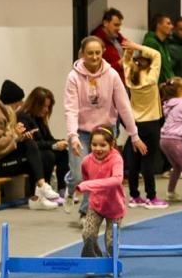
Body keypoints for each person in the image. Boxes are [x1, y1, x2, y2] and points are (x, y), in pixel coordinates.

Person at [64, 36, 141, 213]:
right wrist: (73, 136)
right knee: (78, 175)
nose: (94, 57)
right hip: (82, 132)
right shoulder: (73, 77)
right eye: (90, 53)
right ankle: (70, 186)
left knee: (96, 175)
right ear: (82, 54)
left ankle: (86, 211)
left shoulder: (112, 74)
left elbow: (124, 106)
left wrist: (134, 134)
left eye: (98, 53)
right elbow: (70, 108)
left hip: (105, 130)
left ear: (103, 53)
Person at [0, 80, 60, 210]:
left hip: (5, 158)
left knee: (46, 155)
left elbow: (8, 139)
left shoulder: (6, 113)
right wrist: (15, 135)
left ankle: (38, 196)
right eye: (19, 102)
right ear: (13, 102)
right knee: (33, 147)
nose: (21, 105)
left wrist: (21, 137)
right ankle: (41, 189)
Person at [121, 39, 167, 209]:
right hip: (151, 123)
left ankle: (134, 196)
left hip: (135, 124)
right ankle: (151, 197)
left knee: (134, 161)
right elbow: (156, 54)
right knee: (148, 160)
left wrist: (128, 50)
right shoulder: (151, 78)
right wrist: (135, 47)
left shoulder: (129, 77)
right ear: (148, 66)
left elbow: (126, 61)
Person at [74, 126, 124, 259]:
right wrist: (87, 187)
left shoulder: (116, 159)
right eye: (94, 145)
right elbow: (86, 177)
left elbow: (117, 180)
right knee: (88, 234)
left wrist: (88, 185)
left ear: (111, 145)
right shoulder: (86, 161)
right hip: (95, 206)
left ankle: (111, 264)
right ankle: (93, 261)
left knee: (110, 243)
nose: (98, 148)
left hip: (114, 208)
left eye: (103, 145)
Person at [20, 87, 70, 197]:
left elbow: (48, 139)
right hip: (28, 155)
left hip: (41, 150)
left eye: (48, 106)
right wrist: (54, 145)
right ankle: (43, 189)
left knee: (63, 153)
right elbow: (31, 144)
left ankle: (62, 189)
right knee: (48, 155)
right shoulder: (24, 118)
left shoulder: (40, 119)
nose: (46, 110)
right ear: (35, 104)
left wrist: (62, 142)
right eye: (43, 106)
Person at [90, 7, 142, 74]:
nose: (119, 28)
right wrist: (119, 64)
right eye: (116, 25)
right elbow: (96, 69)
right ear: (105, 23)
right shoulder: (95, 42)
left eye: (119, 25)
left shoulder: (119, 38)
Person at [142, 13, 176, 85]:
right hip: (158, 87)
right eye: (168, 23)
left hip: (166, 87)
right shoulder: (150, 42)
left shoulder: (164, 43)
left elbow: (167, 68)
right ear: (158, 25)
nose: (172, 26)